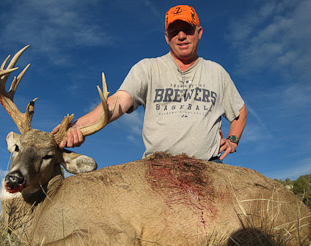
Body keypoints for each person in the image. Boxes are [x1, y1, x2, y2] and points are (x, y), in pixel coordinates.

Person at [53, 5, 247, 162]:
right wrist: (75, 126)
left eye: (187, 30)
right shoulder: (148, 68)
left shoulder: (217, 73)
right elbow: (118, 101)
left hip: (209, 166)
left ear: (199, 32)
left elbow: (239, 112)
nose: (181, 36)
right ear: (166, 37)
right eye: (174, 31)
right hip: (158, 168)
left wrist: (232, 140)